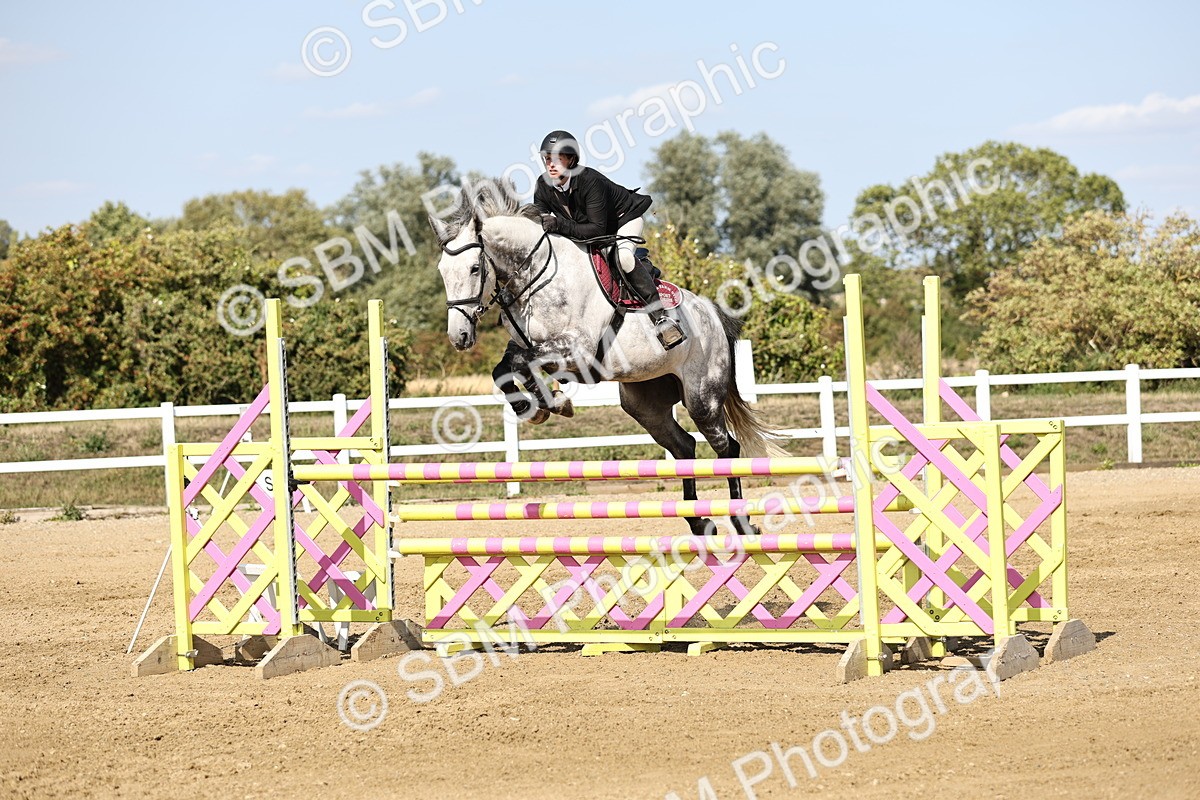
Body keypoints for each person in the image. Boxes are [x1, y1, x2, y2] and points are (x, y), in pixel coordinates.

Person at [532, 130, 686, 349]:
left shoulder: (589, 180)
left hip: (623, 221)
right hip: (587, 228)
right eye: (548, 158)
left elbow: (597, 230)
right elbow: (540, 221)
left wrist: (558, 224)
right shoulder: (543, 184)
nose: (551, 164)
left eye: (557, 158)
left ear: (571, 160)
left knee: (623, 258)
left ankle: (662, 318)